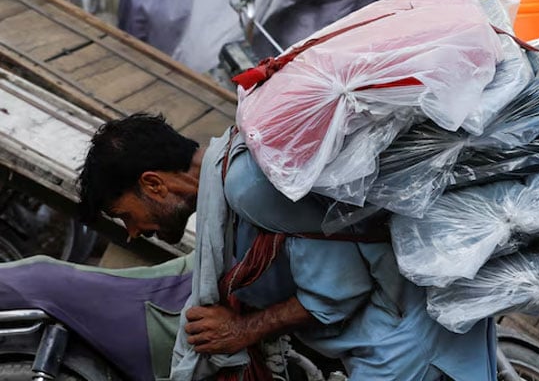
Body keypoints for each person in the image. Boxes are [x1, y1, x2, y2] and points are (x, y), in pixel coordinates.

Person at [78, 113, 497, 381]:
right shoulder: (231, 180)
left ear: (153, 183)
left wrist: (241, 329)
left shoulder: (245, 186)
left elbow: (339, 290)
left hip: (405, 350)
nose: (131, 232)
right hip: (395, 339)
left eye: (124, 215)